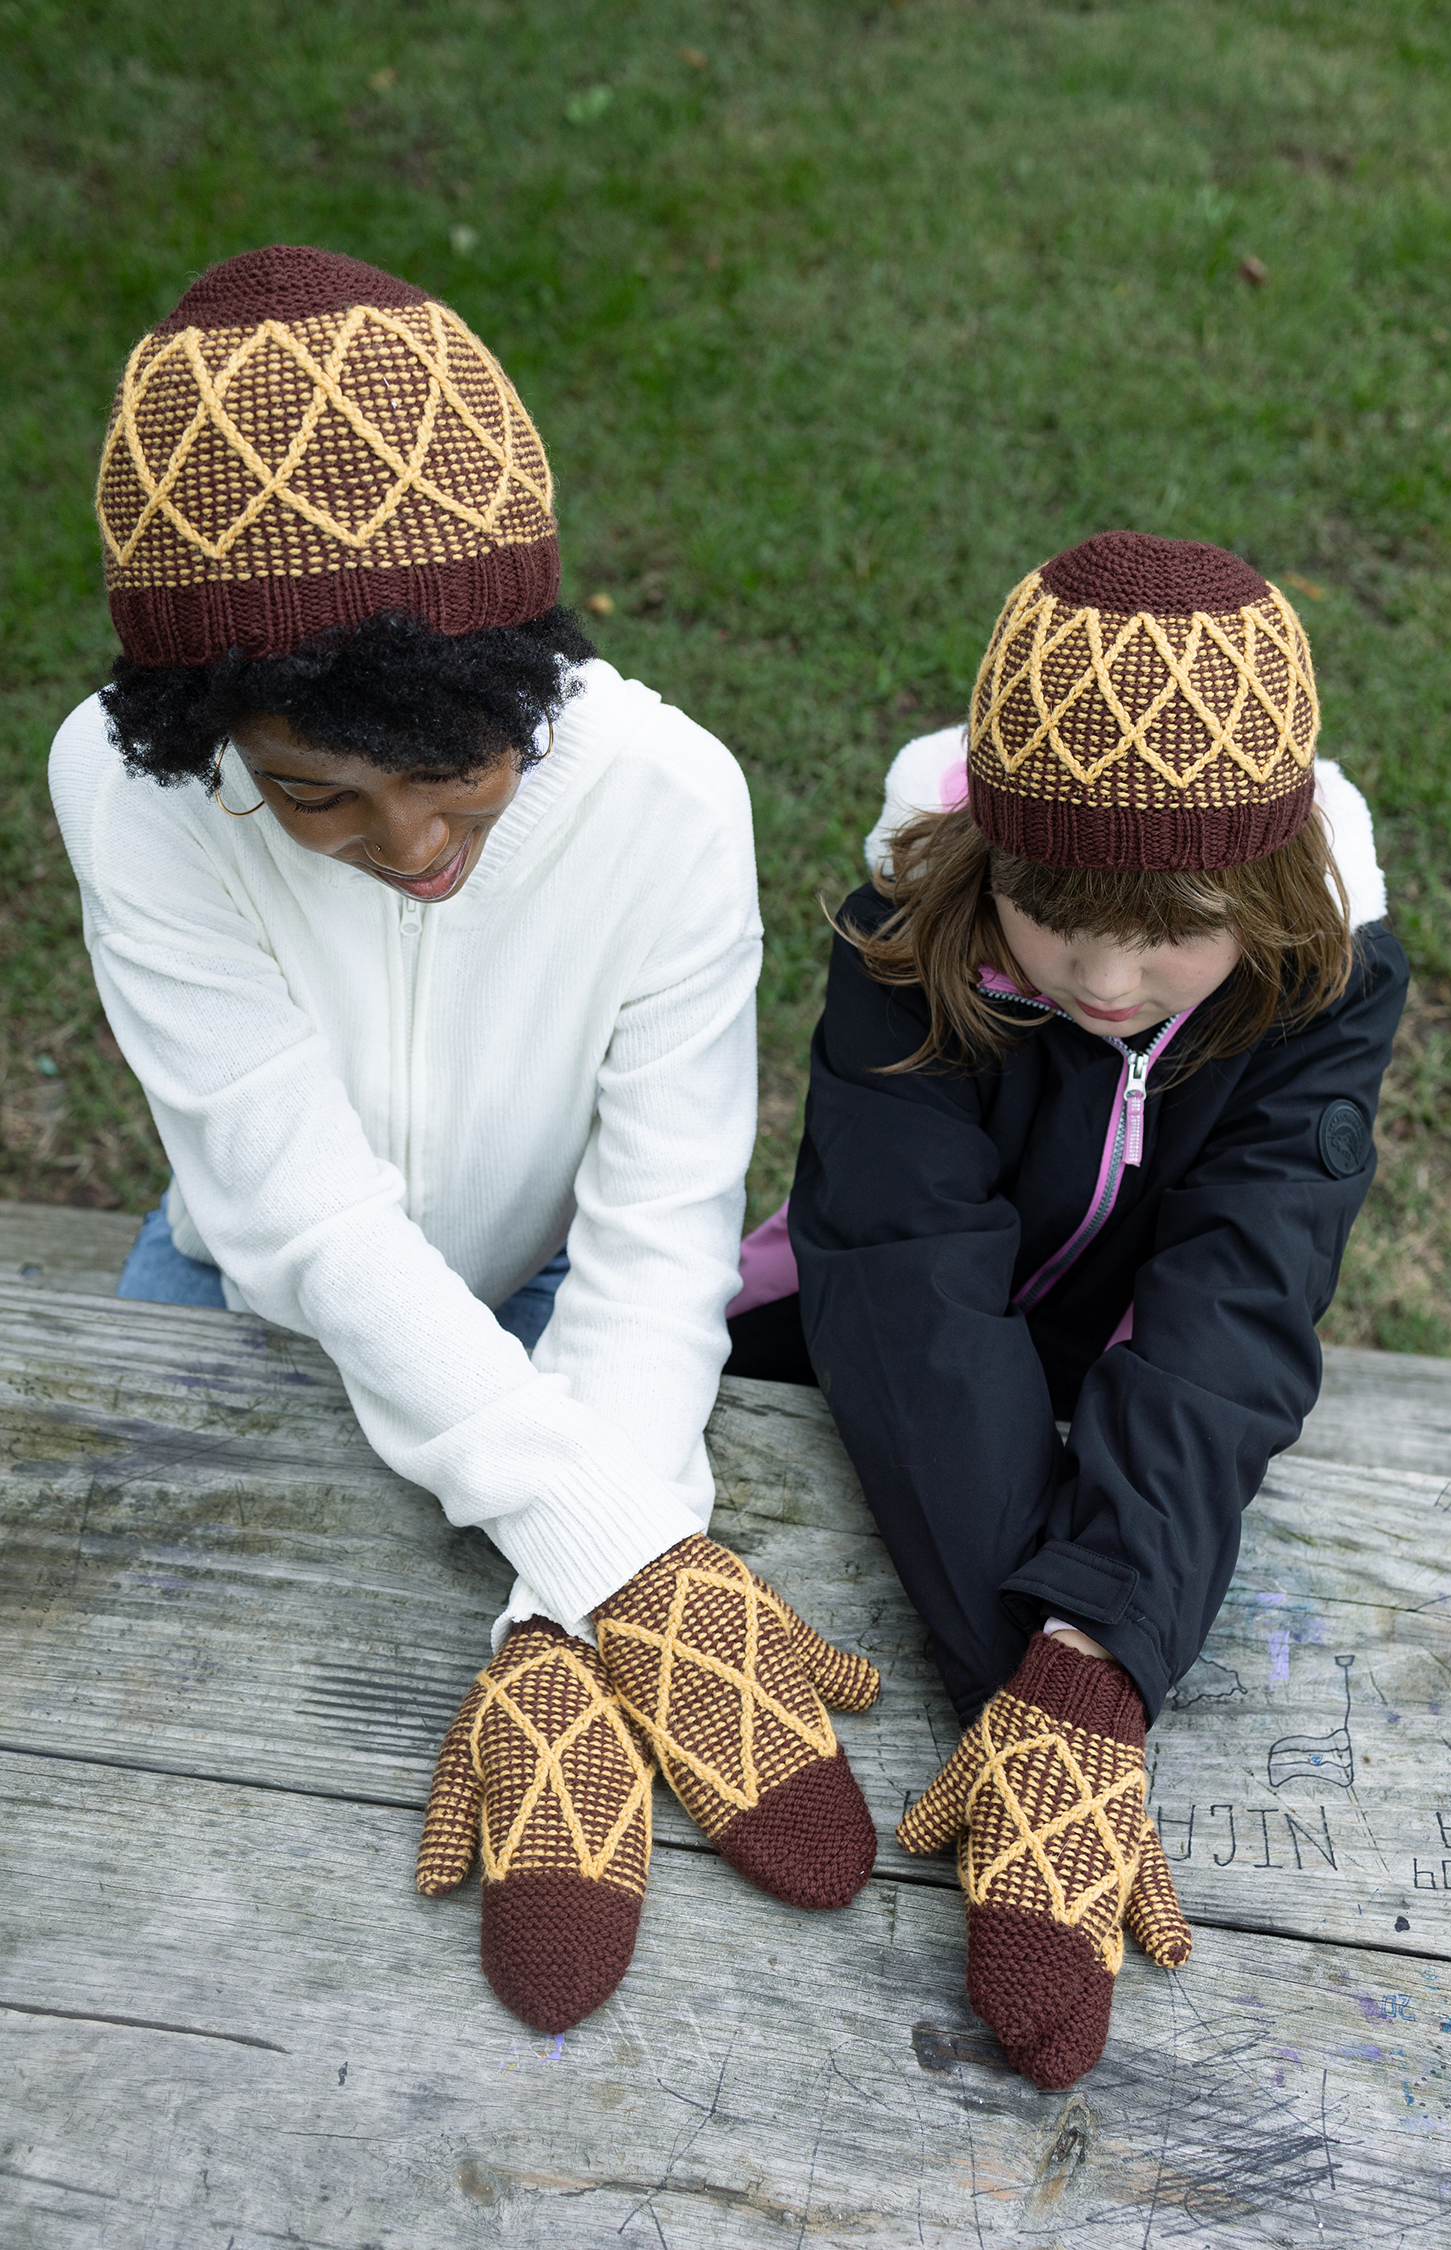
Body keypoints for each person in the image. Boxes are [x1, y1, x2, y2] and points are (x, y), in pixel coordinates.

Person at [52, 244, 881, 2040]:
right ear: (206, 741)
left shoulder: (672, 802)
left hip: (566, 1295)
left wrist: (550, 1628)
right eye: (316, 795)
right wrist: (629, 1551)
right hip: (250, 1295)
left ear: (524, 671)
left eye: (460, 770)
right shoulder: (125, 789)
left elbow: (664, 1235)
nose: (416, 843)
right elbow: (301, 1219)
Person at [725, 530, 1407, 2088]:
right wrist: (1045, 1692)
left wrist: (1101, 1651)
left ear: (1274, 885)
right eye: (1050, 911)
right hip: (847, 1351)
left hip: (1120, 1388)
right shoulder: (911, 939)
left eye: (1173, 924)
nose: (1102, 973)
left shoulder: (1324, 989)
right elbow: (903, 1292)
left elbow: (1238, 1297)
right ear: (987, 855)